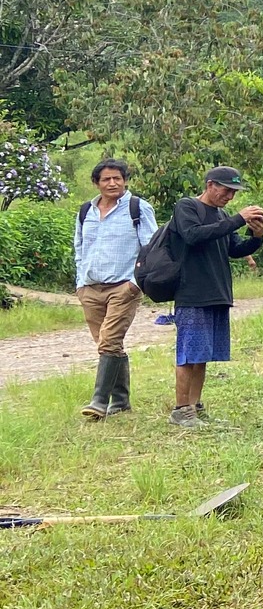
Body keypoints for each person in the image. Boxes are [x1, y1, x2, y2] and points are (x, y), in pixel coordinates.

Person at [166, 166, 263, 427]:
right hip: (192, 293)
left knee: (202, 354)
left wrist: (256, 235)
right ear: (210, 185)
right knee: (188, 354)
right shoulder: (187, 207)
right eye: (227, 190)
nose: (230, 197)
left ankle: (195, 407)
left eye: (234, 192)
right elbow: (193, 236)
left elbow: (235, 249)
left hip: (217, 292)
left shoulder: (221, 215)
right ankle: (180, 409)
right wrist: (236, 219)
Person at [75, 157, 156, 421]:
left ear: (124, 180)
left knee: (108, 341)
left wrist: (135, 283)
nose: (112, 183)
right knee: (108, 344)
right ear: (96, 183)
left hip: (123, 287)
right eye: (106, 179)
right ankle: (120, 401)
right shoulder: (86, 210)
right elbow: (79, 248)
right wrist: (80, 284)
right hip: (90, 288)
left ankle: (99, 401)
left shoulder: (137, 208)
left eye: (117, 178)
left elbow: (151, 247)